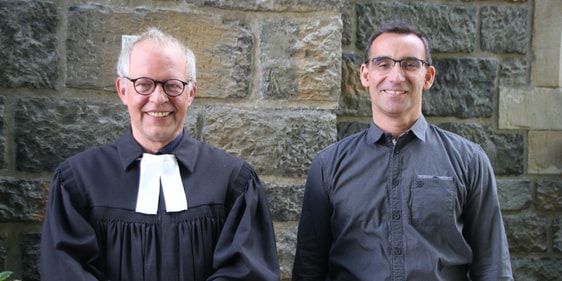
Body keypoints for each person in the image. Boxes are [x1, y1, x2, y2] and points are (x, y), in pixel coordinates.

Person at [40, 27, 280, 281]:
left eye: (172, 85)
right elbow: (64, 271)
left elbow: (247, 272)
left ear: (190, 93)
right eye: (144, 84)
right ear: (123, 90)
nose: (158, 98)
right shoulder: (78, 180)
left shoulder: (234, 182)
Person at [292, 20, 513, 281]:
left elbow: (493, 268)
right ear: (365, 75)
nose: (396, 76)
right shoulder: (328, 165)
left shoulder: (469, 161)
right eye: (383, 63)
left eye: (410, 64)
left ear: (428, 76)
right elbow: (309, 269)